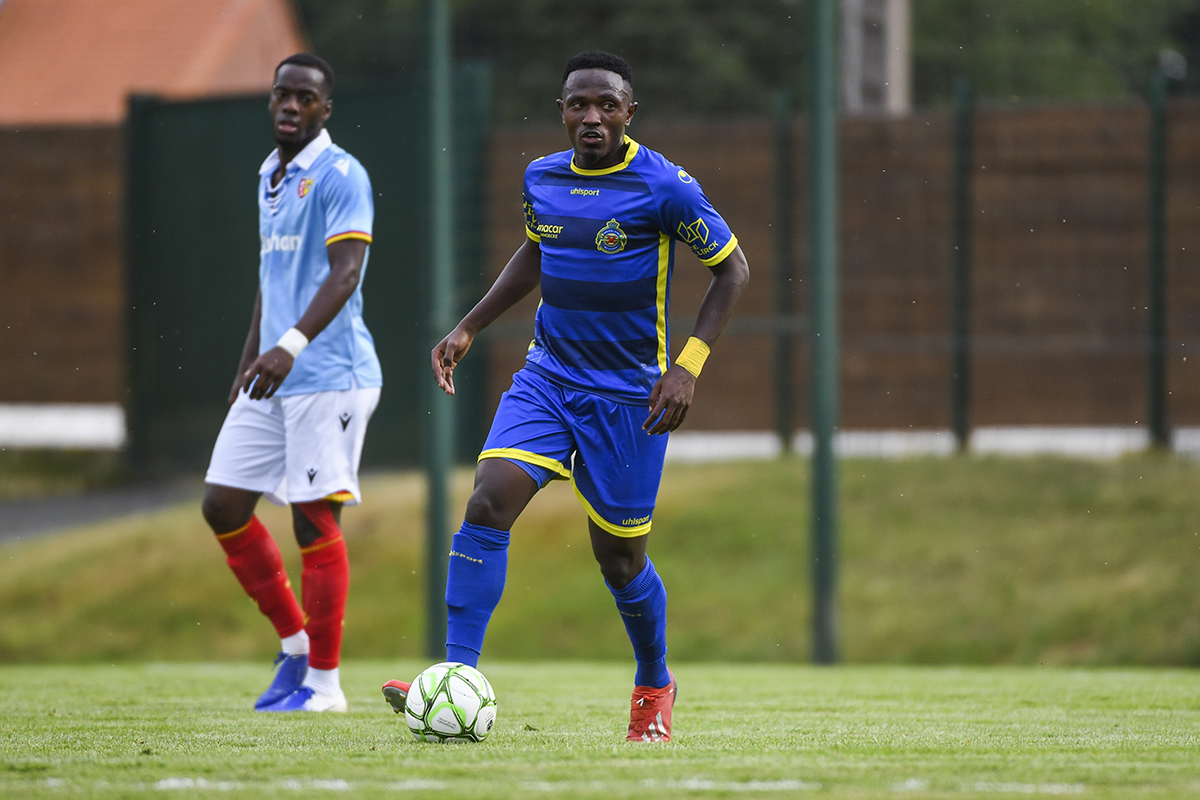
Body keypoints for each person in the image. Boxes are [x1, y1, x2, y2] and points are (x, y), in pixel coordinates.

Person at [382, 51, 748, 741]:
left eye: (608, 104)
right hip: (548, 377)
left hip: (631, 399)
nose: (592, 117)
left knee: (619, 559)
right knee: (489, 499)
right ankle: (456, 675)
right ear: (561, 111)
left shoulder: (665, 187)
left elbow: (733, 270)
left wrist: (688, 367)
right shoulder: (542, 178)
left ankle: (654, 682)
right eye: (579, 104)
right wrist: (469, 326)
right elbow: (537, 251)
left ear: (629, 112)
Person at [200, 53, 380, 713]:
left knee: (313, 519)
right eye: (282, 93)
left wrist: (289, 346)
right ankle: (297, 646)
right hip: (273, 373)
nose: (291, 105)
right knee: (222, 505)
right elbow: (270, 281)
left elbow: (346, 273)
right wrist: (248, 360)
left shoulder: (341, 174)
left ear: (325, 109)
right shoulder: (269, 175)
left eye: (305, 97)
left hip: (330, 375)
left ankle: (325, 687)